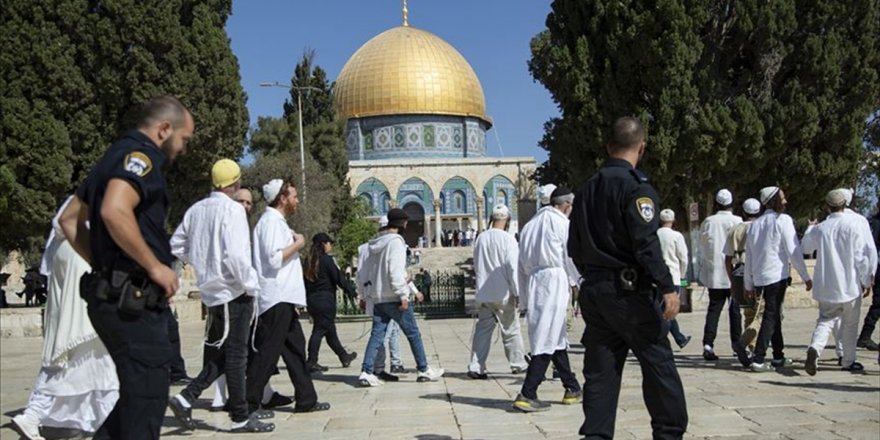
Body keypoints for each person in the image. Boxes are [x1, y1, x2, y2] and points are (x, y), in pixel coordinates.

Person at [60, 96, 193, 439]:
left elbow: (70, 220)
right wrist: (154, 267)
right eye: (184, 139)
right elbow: (113, 210)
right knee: (146, 403)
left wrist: (104, 264)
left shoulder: (110, 158)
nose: (183, 149)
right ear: (164, 129)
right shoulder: (142, 157)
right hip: (131, 302)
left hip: (113, 294)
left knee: (136, 401)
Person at [569, 116, 687, 439]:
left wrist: (596, 276)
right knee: (658, 365)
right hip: (630, 296)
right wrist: (667, 286)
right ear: (642, 148)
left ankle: (595, 435)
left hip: (595, 293)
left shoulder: (585, 191)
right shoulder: (636, 189)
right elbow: (646, 243)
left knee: (601, 373)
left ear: (609, 147)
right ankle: (669, 432)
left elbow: (574, 247)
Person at [166, 159, 273, 433]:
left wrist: (202, 262)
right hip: (233, 291)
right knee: (236, 356)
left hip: (212, 292)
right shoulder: (233, 211)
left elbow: (176, 244)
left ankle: (187, 397)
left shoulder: (196, 210)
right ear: (236, 184)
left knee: (227, 354)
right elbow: (237, 257)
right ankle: (238, 417)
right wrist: (251, 285)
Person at [12, 197, 119, 440]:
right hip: (85, 311)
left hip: (68, 264)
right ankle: (34, 414)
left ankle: (98, 420)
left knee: (94, 361)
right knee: (81, 350)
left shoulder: (63, 241)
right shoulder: (81, 246)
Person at [246, 178, 330, 413]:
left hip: (284, 298)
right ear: (282, 198)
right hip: (275, 298)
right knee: (268, 354)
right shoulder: (271, 222)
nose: (297, 200)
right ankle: (248, 404)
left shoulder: (277, 222)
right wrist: (299, 244)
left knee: (295, 350)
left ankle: (306, 399)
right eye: (293, 196)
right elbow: (274, 259)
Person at [513, 186, 582, 412]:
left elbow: (520, 265)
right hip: (554, 279)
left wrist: (523, 297)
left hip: (534, 281)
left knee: (555, 334)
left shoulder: (530, 226)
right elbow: (569, 256)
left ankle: (571, 387)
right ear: (566, 205)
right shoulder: (561, 223)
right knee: (546, 335)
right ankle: (527, 392)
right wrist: (581, 282)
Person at [357, 208, 444, 386]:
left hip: (379, 296)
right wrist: (403, 295)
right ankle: (423, 369)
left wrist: (365, 295)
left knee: (377, 336)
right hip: (395, 298)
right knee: (413, 334)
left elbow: (366, 272)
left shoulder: (374, 244)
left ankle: (366, 372)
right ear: (403, 223)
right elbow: (395, 271)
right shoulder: (396, 242)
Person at [737, 186, 812, 372]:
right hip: (777, 276)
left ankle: (778, 356)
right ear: (773, 201)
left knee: (774, 314)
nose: (785, 201)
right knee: (771, 315)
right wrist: (805, 276)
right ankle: (759, 358)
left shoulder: (756, 225)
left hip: (761, 277)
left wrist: (748, 284)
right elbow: (793, 251)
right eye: (782, 198)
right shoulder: (783, 220)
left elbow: (750, 257)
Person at [801, 189, 876, 375]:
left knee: (825, 320)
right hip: (849, 285)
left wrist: (811, 227)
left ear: (827, 207)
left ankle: (815, 348)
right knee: (850, 324)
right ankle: (849, 361)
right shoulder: (853, 225)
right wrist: (867, 279)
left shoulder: (822, 228)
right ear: (845, 204)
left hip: (827, 286)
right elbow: (861, 256)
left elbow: (805, 247)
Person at [467, 204, 528, 379]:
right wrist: (518, 292)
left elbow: (477, 265)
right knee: (510, 329)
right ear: (507, 220)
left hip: (485, 292)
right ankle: (518, 363)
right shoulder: (508, 240)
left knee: (483, 330)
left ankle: (476, 366)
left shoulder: (481, 238)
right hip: (503, 293)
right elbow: (512, 268)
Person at [355, 216, 405, 384]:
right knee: (384, 333)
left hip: (374, 293)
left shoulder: (368, 247)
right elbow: (362, 273)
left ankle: (377, 368)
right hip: (387, 294)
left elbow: (361, 274)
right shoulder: (376, 246)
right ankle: (375, 368)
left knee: (382, 332)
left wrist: (361, 294)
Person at [698, 189, 743, 361]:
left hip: (715, 273)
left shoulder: (709, 221)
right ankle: (736, 344)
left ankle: (708, 344)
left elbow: (702, 246)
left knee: (714, 310)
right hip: (734, 273)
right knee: (735, 311)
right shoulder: (738, 221)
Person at [304, 232, 358, 372]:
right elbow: (338, 278)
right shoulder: (327, 260)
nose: (331, 245)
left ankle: (343, 356)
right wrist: (351, 292)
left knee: (330, 332)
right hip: (325, 301)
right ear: (323, 244)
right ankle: (311, 361)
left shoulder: (308, 261)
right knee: (319, 330)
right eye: (329, 243)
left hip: (312, 301)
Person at [723, 198, 763, 353]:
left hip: (739, 272)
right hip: (759, 273)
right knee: (763, 313)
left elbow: (727, 258)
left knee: (748, 313)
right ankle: (747, 344)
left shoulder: (735, 230)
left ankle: (751, 347)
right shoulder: (762, 228)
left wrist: (732, 280)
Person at [657, 209, 692, 349]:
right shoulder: (676, 236)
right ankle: (675, 337)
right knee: (668, 309)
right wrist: (682, 275)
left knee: (661, 308)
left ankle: (679, 337)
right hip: (673, 276)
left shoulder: (655, 235)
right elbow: (683, 258)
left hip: (657, 276)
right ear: (673, 220)